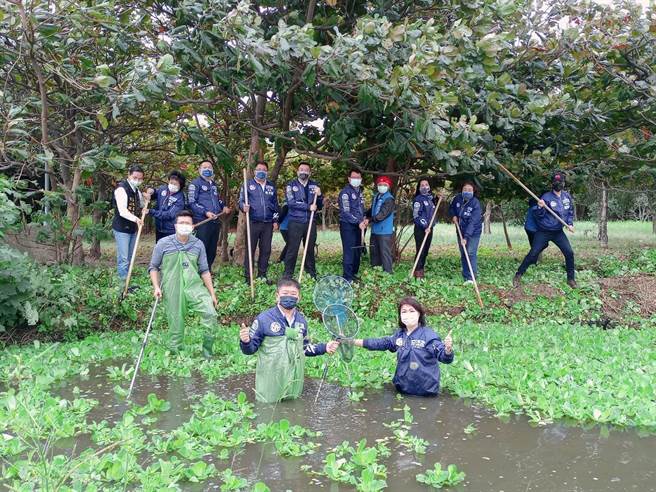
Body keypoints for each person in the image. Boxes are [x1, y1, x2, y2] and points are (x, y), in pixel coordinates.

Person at [239, 278, 339, 403]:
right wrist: (245, 341)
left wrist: (325, 347)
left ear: (299, 297)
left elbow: (304, 348)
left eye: (293, 294)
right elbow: (250, 350)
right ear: (277, 296)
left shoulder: (301, 321)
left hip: (294, 380)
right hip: (270, 380)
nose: (289, 297)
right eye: (285, 294)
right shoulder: (264, 319)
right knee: (267, 410)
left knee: (293, 410)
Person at [148, 210, 219, 357]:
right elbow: (153, 267)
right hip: (172, 287)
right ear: (175, 226)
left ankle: (207, 352)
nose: (184, 226)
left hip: (194, 287)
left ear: (193, 227)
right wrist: (156, 287)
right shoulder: (163, 243)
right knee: (176, 324)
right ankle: (176, 355)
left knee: (210, 314)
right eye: (181, 223)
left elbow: (204, 270)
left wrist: (212, 294)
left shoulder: (198, 244)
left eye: (187, 223)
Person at [348, 297, 453, 396]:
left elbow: (443, 356)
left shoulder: (429, 335)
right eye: (404, 312)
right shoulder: (399, 335)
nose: (408, 314)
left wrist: (447, 350)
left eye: (412, 311)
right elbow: (379, 343)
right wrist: (351, 341)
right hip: (402, 389)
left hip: (426, 391)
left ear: (419, 314)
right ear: (400, 316)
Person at [514, 171, 576, 288]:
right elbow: (539, 216)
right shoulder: (546, 197)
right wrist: (540, 207)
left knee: (569, 253)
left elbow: (570, 212)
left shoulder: (566, 196)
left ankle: (571, 279)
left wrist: (570, 223)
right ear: (552, 183)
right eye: (556, 182)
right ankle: (518, 274)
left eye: (560, 181)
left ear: (564, 183)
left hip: (558, 232)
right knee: (533, 253)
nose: (558, 184)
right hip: (544, 231)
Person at [239, 161, 280, 283]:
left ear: (266, 172)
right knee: (250, 249)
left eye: (264, 170)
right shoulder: (247, 185)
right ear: (254, 171)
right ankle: (248, 277)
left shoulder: (271, 186)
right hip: (253, 222)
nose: (261, 172)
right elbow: (241, 201)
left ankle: (262, 275)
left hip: (268, 223)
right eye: (259, 169)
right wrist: (243, 206)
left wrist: (275, 220)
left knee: (266, 249)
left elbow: (275, 205)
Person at [111, 165, 152, 282]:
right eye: (135, 177)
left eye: (140, 179)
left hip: (132, 229)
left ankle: (127, 279)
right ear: (129, 175)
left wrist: (146, 198)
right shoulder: (121, 189)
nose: (137, 181)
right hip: (121, 228)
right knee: (123, 258)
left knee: (130, 256)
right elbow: (122, 211)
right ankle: (122, 283)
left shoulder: (136, 190)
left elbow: (141, 205)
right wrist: (137, 219)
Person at [283, 162, 323, 279]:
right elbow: (291, 203)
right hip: (295, 222)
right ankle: (288, 273)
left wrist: (319, 196)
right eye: (301, 169)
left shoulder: (314, 186)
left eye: (306, 170)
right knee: (292, 248)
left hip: (310, 221)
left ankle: (311, 272)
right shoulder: (291, 185)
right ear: (297, 172)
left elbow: (319, 205)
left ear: (309, 173)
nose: (303, 172)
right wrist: (307, 207)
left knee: (309, 248)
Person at [188, 160, 231, 270]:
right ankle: (198, 272)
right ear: (199, 170)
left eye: (210, 168)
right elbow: (192, 203)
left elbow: (217, 200)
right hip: (202, 221)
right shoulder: (195, 184)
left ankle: (207, 271)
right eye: (204, 167)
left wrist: (223, 207)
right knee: (202, 248)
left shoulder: (213, 184)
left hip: (215, 221)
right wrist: (205, 212)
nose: (207, 169)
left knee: (212, 249)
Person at [448, 182, 482, 284]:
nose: (467, 191)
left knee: (470, 253)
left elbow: (473, 222)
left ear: (473, 191)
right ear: (462, 190)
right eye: (465, 189)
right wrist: (453, 215)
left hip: (473, 232)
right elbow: (452, 208)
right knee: (463, 253)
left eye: (469, 190)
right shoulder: (457, 198)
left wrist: (466, 237)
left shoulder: (475, 203)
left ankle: (471, 277)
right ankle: (466, 274)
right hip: (460, 230)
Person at [338, 168, 368, 282]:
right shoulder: (345, 193)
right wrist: (358, 222)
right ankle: (347, 277)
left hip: (360, 226)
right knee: (349, 250)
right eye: (354, 177)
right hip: (348, 226)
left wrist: (364, 218)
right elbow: (346, 212)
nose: (356, 180)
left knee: (357, 250)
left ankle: (354, 274)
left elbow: (361, 209)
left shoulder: (360, 192)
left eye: (358, 178)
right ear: (349, 179)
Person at [366, 176, 396, 274]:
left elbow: (381, 215)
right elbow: (373, 210)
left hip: (384, 231)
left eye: (384, 185)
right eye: (380, 185)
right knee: (374, 251)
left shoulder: (389, 199)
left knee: (385, 253)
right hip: (375, 230)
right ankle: (376, 270)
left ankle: (388, 272)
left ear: (388, 186)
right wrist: (365, 216)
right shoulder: (377, 196)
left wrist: (369, 220)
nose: (382, 186)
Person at [149, 170, 187, 242]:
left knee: (169, 251)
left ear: (180, 185)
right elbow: (155, 193)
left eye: (175, 184)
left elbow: (169, 215)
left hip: (171, 230)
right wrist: (151, 191)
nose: (172, 185)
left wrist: (151, 212)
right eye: (171, 182)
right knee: (159, 248)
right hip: (159, 228)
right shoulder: (163, 189)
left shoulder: (180, 198)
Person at [412, 179, 436, 279]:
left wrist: (431, 225)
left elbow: (432, 215)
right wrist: (426, 226)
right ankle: (417, 271)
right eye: (422, 185)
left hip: (429, 229)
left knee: (425, 250)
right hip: (420, 229)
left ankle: (421, 269)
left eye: (426, 184)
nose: (425, 187)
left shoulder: (430, 199)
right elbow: (416, 215)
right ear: (419, 187)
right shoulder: (418, 199)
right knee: (420, 250)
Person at [524, 197, 546, 264]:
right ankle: (531, 260)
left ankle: (532, 261)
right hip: (532, 230)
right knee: (543, 245)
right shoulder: (535, 209)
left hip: (528, 228)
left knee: (535, 247)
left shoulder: (531, 208)